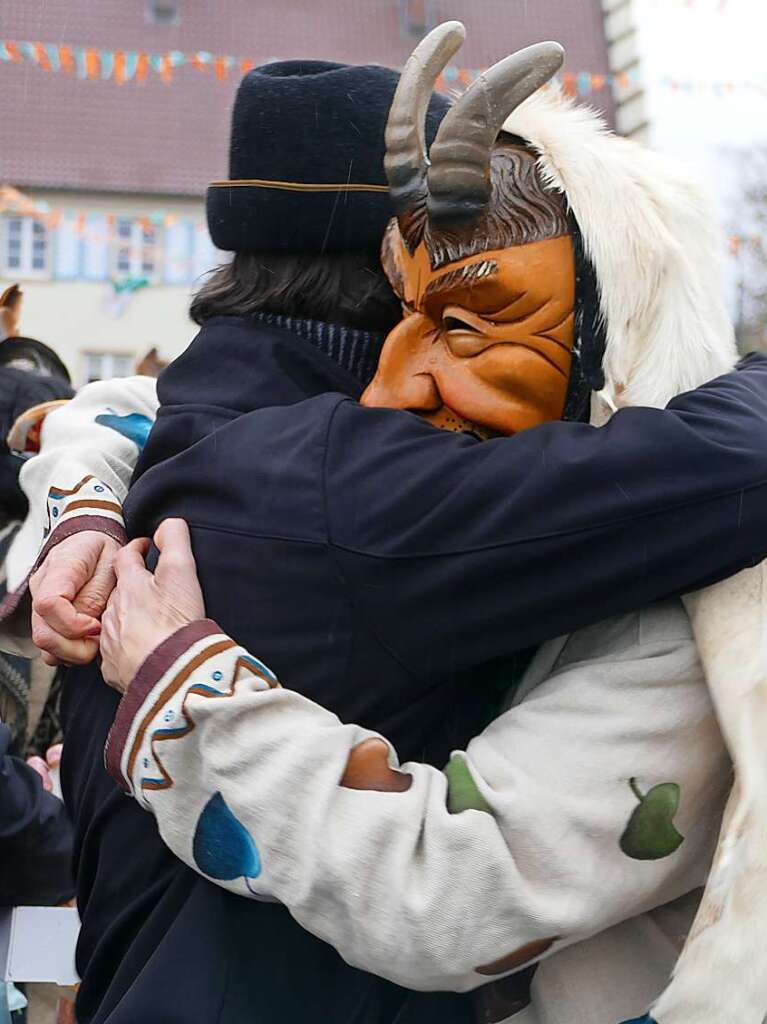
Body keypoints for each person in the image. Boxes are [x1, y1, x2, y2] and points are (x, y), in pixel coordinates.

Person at [9, 26, 767, 1024]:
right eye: (405, 313)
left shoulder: (217, 454)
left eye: (463, 321)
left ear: (604, 326)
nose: (392, 387)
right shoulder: (346, 483)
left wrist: (93, 528)